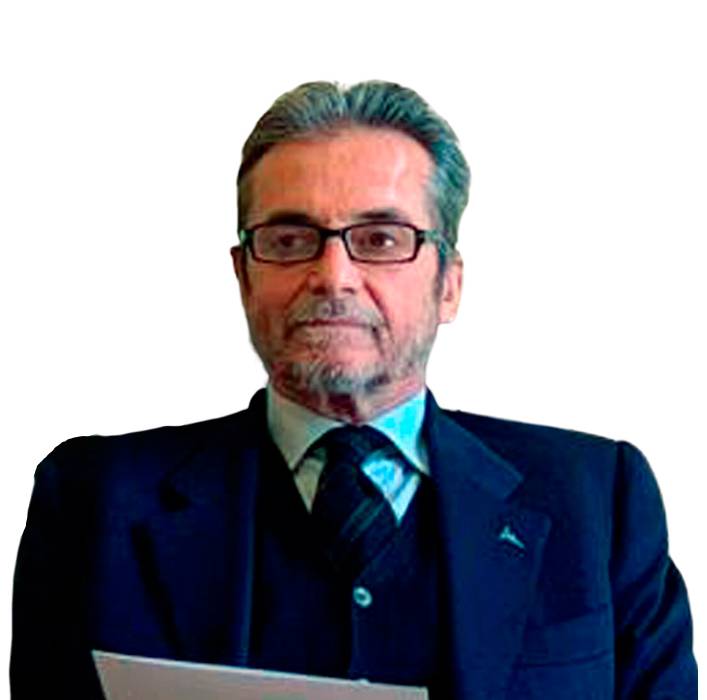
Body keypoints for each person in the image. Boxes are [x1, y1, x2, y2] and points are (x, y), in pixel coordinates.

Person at [11, 81, 696, 699]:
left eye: (380, 238)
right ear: (244, 277)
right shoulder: (92, 501)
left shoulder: (598, 501)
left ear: (449, 284)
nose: (333, 275)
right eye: (290, 239)